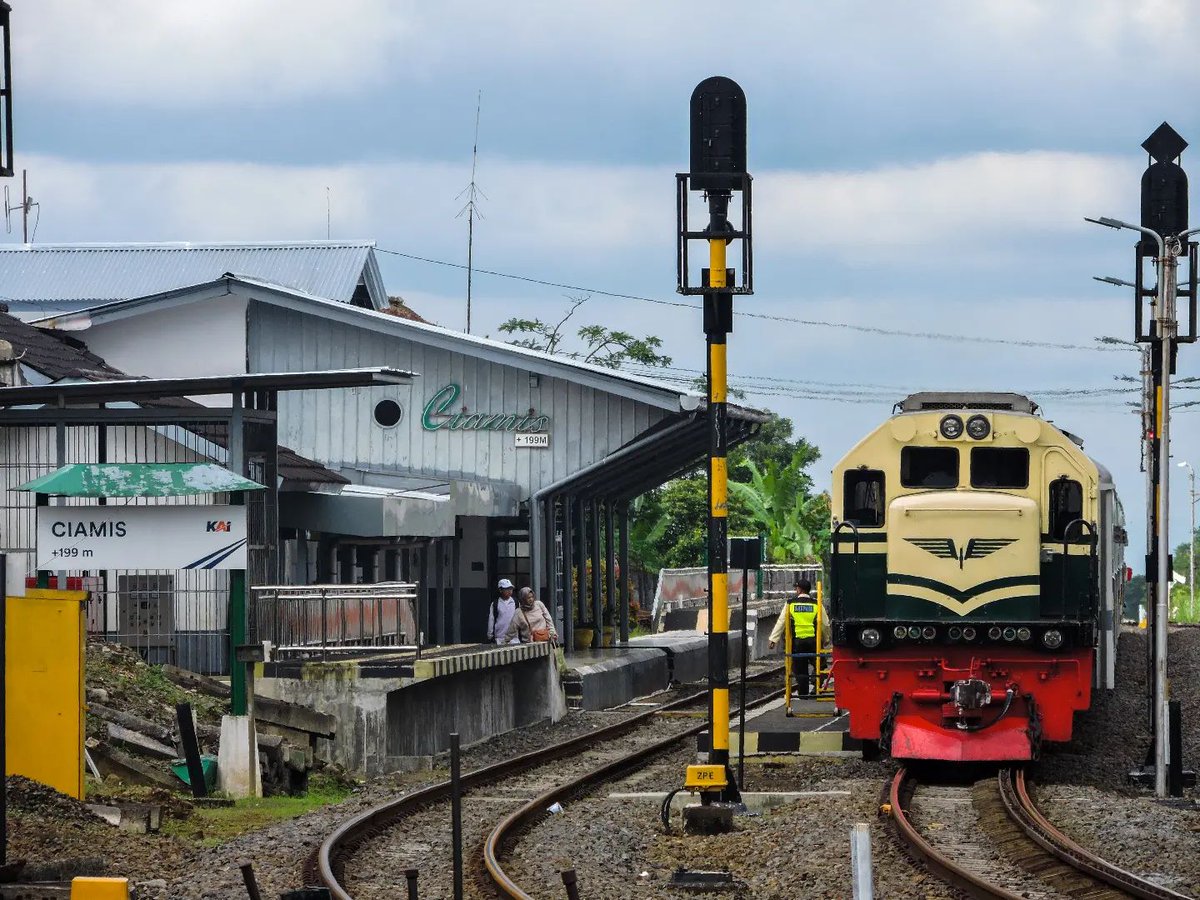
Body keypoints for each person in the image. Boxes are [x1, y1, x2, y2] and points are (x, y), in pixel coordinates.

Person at [769, 578, 820, 694]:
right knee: (820, 664)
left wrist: (773, 639)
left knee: (800, 669)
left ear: (799, 589)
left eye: (796, 588)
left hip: (797, 642)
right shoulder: (816, 603)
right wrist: (826, 638)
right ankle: (817, 686)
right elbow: (825, 624)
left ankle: (803, 695)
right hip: (813, 642)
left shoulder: (790, 604)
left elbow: (781, 622)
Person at [486, 578, 522, 645]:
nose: (509, 591)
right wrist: (490, 635)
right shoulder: (495, 604)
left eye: (511, 589)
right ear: (500, 590)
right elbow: (491, 619)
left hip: (514, 638)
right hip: (499, 638)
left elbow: (520, 618)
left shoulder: (516, 602)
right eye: (506, 589)